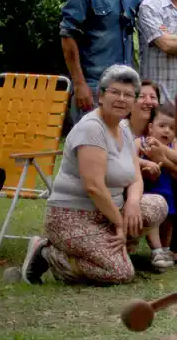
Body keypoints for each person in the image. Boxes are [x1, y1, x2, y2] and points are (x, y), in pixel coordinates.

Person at [20, 66, 169, 285]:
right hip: (74, 216)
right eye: (115, 92)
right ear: (101, 95)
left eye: (128, 95)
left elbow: (136, 176)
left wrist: (134, 203)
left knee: (157, 204)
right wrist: (119, 223)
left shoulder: (124, 128)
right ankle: (48, 253)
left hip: (108, 213)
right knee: (121, 273)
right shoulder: (91, 128)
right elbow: (94, 186)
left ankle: (112, 250)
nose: (121, 99)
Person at [60, 0, 142, 121]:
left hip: (124, 88)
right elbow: (67, 36)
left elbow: (155, 4)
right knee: (91, 148)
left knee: (118, 149)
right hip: (94, 88)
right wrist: (79, 84)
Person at [136, 103, 177, 269]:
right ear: (151, 127)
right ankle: (156, 251)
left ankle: (165, 248)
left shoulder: (174, 144)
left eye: (171, 128)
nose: (166, 131)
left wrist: (161, 148)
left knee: (168, 221)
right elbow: (131, 157)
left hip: (167, 191)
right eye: (162, 126)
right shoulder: (141, 141)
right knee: (154, 221)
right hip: (150, 190)